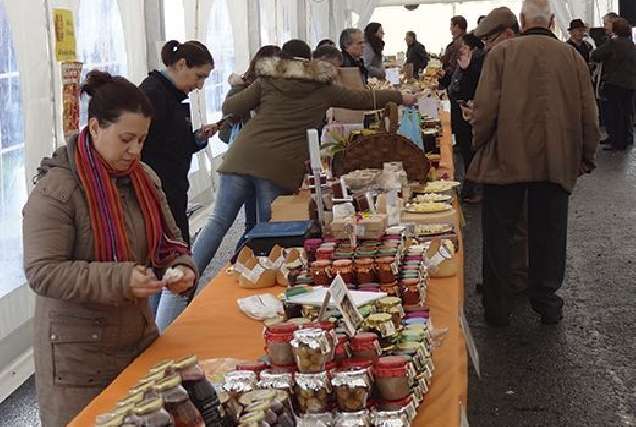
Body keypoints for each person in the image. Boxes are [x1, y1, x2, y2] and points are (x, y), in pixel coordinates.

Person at [23, 70, 198, 426]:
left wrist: (182, 268)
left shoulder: (143, 178)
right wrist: (121, 279)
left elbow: (170, 239)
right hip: (78, 356)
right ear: (94, 128)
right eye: (126, 139)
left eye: (142, 140)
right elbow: (42, 271)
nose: (134, 150)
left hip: (137, 337)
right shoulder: (57, 189)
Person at [192, 40, 415, 274]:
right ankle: (265, 280)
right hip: (279, 165)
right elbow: (363, 99)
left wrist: (243, 85)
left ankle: (186, 280)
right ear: (309, 60)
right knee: (272, 229)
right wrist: (400, 97)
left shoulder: (267, 81)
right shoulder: (323, 88)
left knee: (217, 223)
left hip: (241, 157)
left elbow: (231, 107)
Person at [468, 0, 600, 326]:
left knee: (499, 232)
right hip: (556, 159)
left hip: (505, 158)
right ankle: (546, 303)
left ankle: (497, 309)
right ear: (553, 21)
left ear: (522, 21)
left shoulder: (501, 54)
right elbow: (589, 114)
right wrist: (586, 154)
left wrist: (478, 144)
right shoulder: (572, 57)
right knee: (550, 232)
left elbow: (484, 110)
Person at [139, 40, 216, 332]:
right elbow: (146, 151)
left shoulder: (172, 98)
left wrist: (196, 139)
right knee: (172, 267)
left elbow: (173, 146)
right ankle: (160, 336)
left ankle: (160, 333)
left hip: (171, 192)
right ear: (180, 65)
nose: (199, 86)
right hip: (156, 198)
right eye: (199, 76)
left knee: (172, 266)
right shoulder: (151, 97)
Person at [468, 6, 529, 298]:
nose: (486, 47)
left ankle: (503, 283)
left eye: (489, 40)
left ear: (506, 34)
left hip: (505, 151)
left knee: (502, 224)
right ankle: (519, 277)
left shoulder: (501, 58)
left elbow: (487, 110)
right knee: (524, 222)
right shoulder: (534, 54)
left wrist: (476, 137)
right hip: (533, 151)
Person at [449, 33, 485, 204]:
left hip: (468, 113)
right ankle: (469, 189)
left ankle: (472, 190)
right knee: (466, 153)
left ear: (473, 48)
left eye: (464, 47)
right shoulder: (466, 62)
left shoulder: (477, 64)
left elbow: (472, 85)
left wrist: (466, 69)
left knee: (471, 153)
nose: (461, 49)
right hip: (461, 112)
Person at [591, 17, 636, 151]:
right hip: (630, 84)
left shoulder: (613, 43)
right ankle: (624, 140)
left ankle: (617, 142)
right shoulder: (630, 44)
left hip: (615, 83)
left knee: (615, 113)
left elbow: (597, 54)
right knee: (626, 113)